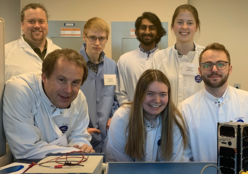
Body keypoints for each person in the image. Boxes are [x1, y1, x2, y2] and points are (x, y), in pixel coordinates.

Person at [180, 42, 248, 162]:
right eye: (207, 65)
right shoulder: (186, 108)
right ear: (200, 71)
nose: (214, 69)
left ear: (230, 69)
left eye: (221, 64)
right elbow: (184, 157)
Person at [3, 49, 94, 161]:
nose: (68, 90)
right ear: (44, 77)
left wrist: (82, 147)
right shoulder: (21, 90)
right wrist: (75, 153)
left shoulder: (79, 97)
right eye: (61, 80)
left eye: (75, 82)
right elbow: (25, 150)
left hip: (69, 165)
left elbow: (79, 136)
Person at [106, 69, 191, 162]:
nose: (157, 100)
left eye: (163, 94)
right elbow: (120, 164)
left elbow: (171, 165)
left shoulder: (175, 120)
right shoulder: (122, 118)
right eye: (150, 94)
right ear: (140, 94)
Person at [152, 4, 204, 107]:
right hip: (168, 120)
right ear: (172, 26)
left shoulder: (206, 57)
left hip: (199, 120)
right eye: (180, 22)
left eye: (189, 23)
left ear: (196, 27)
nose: (184, 27)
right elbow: (153, 92)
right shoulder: (159, 58)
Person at [79, 17, 118, 153]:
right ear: (84, 36)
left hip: (107, 134)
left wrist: (114, 116)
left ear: (107, 39)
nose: (97, 43)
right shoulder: (74, 63)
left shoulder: (112, 65)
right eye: (92, 38)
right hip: (82, 134)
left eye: (101, 38)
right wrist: (78, 130)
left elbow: (114, 97)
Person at [116, 12, 166, 105]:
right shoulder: (124, 60)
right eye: (143, 28)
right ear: (137, 32)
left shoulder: (166, 59)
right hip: (131, 115)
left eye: (152, 28)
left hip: (159, 114)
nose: (147, 32)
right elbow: (120, 92)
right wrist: (130, 111)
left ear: (158, 33)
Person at [5, 3, 60, 81]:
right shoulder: (5, 53)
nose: (37, 26)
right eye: (31, 21)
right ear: (22, 25)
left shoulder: (60, 53)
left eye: (41, 21)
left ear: (47, 24)